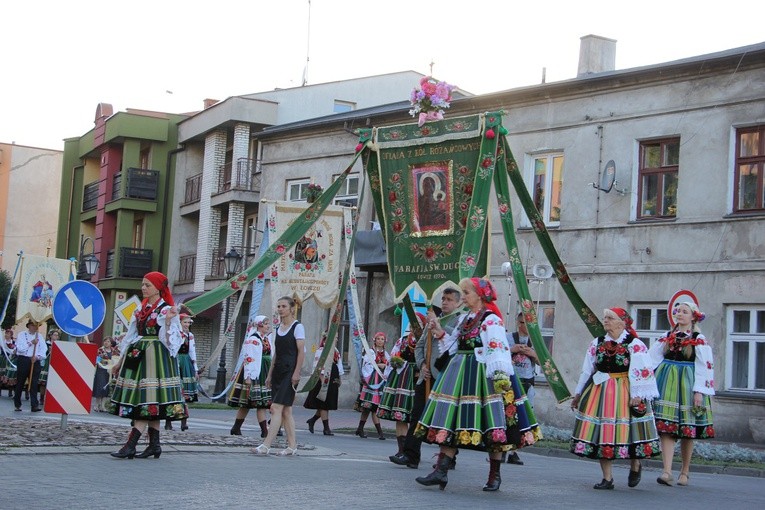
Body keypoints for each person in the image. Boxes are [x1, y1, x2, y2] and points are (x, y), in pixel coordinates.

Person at [414, 277, 540, 492]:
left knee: (493, 424)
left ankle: (494, 475)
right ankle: (441, 471)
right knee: (451, 422)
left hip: (484, 376)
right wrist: (438, 331)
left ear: (480, 296)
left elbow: (498, 348)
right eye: (462, 292)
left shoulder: (491, 320)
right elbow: (453, 346)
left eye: (466, 293)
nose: (463, 297)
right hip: (459, 375)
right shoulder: (465, 319)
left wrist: (500, 377)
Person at [570, 307, 661, 490]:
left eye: (610, 318)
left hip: (625, 389)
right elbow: (587, 369)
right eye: (605, 318)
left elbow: (643, 370)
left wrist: (637, 395)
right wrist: (578, 393)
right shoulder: (597, 342)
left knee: (631, 430)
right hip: (600, 391)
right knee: (603, 431)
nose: (606, 321)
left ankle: (635, 464)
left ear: (622, 322)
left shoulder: (634, 344)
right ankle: (607, 478)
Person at [109, 271, 188, 459]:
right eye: (143, 284)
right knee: (152, 402)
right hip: (140, 357)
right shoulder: (140, 309)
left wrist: (168, 321)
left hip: (157, 358)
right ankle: (154, 445)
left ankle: (130, 445)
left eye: (148, 285)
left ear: (158, 288)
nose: (143, 288)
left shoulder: (165, 310)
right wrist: (120, 361)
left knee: (148, 401)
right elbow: (130, 337)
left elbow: (173, 342)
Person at [391, 288, 463, 469]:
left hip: (446, 379)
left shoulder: (459, 321)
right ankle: (410, 455)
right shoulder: (433, 322)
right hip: (426, 378)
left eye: (449, 299)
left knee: (444, 420)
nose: (445, 302)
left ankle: (447, 459)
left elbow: (456, 345)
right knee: (417, 416)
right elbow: (420, 345)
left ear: (457, 303)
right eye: (443, 299)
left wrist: (438, 327)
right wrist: (423, 365)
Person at [649, 300, 715, 487]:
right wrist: (644, 381)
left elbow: (704, 368)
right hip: (666, 382)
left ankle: (685, 471)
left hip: (688, 383)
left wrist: (699, 392)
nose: (679, 314)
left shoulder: (698, 339)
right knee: (666, 429)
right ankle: (667, 471)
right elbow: (651, 360)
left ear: (693, 316)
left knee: (687, 429)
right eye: (677, 311)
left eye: (684, 311)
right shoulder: (667, 336)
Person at [251, 296, 305, 456]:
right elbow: (276, 354)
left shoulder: (298, 327)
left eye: (283, 306)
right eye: (278, 306)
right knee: (286, 411)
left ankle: (266, 445)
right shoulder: (278, 327)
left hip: (290, 371)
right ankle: (292, 446)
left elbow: (301, 352)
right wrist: (269, 375)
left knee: (275, 408)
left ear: (291, 309)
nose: (280, 309)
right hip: (278, 372)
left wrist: (296, 372)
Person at [378, 313, 427, 457]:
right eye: (412, 322)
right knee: (400, 415)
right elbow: (394, 355)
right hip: (401, 379)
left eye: (417, 322)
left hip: (416, 379)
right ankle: (401, 450)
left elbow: (427, 358)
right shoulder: (403, 340)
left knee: (414, 416)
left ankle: (411, 450)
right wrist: (395, 361)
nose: (413, 325)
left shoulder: (425, 340)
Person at [229, 315, 273, 438]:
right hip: (254, 372)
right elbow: (249, 358)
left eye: (268, 323)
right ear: (259, 325)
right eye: (265, 324)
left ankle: (236, 428)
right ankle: (264, 431)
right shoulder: (253, 339)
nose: (268, 326)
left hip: (263, 370)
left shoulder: (265, 339)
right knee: (258, 403)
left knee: (252, 403)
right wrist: (248, 376)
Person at [506, 312, 539, 465]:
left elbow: (545, 363)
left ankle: (514, 451)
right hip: (510, 382)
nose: (529, 326)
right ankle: (502, 448)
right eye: (525, 322)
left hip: (527, 383)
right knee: (508, 415)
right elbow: (499, 354)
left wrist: (531, 353)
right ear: (519, 323)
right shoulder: (509, 337)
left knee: (522, 417)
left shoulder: (536, 341)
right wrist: (513, 350)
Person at [304, 333, 344, 435]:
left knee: (326, 404)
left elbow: (338, 365)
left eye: (337, 338)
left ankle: (312, 420)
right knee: (323, 404)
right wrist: (322, 382)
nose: (337, 340)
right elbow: (319, 366)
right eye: (335, 338)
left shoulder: (335, 350)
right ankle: (326, 428)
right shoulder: (321, 351)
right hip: (323, 379)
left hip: (332, 377)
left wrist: (339, 378)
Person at [354, 332, 391, 440]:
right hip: (371, 381)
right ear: (374, 340)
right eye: (378, 339)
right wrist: (378, 365)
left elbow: (389, 364)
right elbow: (366, 363)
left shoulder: (385, 353)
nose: (380, 341)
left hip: (379, 382)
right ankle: (379, 433)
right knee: (370, 407)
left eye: (382, 339)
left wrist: (386, 367)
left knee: (371, 407)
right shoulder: (370, 352)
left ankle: (360, 429)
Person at [165, 313, 198, 431]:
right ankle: (168, 422)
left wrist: (195, 369)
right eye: (185, 322)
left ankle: (184, 422)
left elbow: (192, 351)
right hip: (175, 361)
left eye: (189, 322)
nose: (187, 325)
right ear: (179, 323)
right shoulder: (175, 334)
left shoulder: (190, 335)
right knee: (173, 393)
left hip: (186, 363)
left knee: (185, 395)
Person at [13, 320, 47, 412]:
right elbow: (20, 349)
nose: (34, 327)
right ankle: (17, 403)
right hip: (24, 360)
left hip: (35, 361)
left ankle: (34, 405)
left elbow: (44, 349)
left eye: (36, 326)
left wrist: (37, 357)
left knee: (34, 383)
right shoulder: (21, 334)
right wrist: (31, 342)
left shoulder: (39, 336)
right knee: (20, 382)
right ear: (28, 326)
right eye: (32, 325)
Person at [93, 337, 116, 412]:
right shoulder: (100, 350)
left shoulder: (114, 351)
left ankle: (103, 405)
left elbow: (116, 359)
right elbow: (97, 359)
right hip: (101, 370)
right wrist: (99, 363)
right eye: (105, 341)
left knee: (107, 388)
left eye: (108, 341)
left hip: (109, 371)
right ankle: (96, 404)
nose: (106, 342)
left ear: (111, 343)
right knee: (100, 386)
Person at [38, 328, 59, 406]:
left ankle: (50, 398)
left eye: (57, 335)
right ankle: (41, 398)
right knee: (43, 382)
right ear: (51, 336)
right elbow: (43, 352)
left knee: (52, 383)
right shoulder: (46, 344)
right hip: (47, 362)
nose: (56, 337)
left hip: (55, 363)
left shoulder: (58, 344)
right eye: (55, 335)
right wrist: (49, 351)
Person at [1, 329, 17, 398]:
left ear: (11, 335)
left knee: (11, 375)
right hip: (3, 359)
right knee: (1, 374)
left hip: (11, 359)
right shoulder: (2, 342)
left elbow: (14, 350)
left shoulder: (13, 342)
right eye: (6, 333)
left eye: (8, 333)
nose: (6, 335)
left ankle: (11, 391)